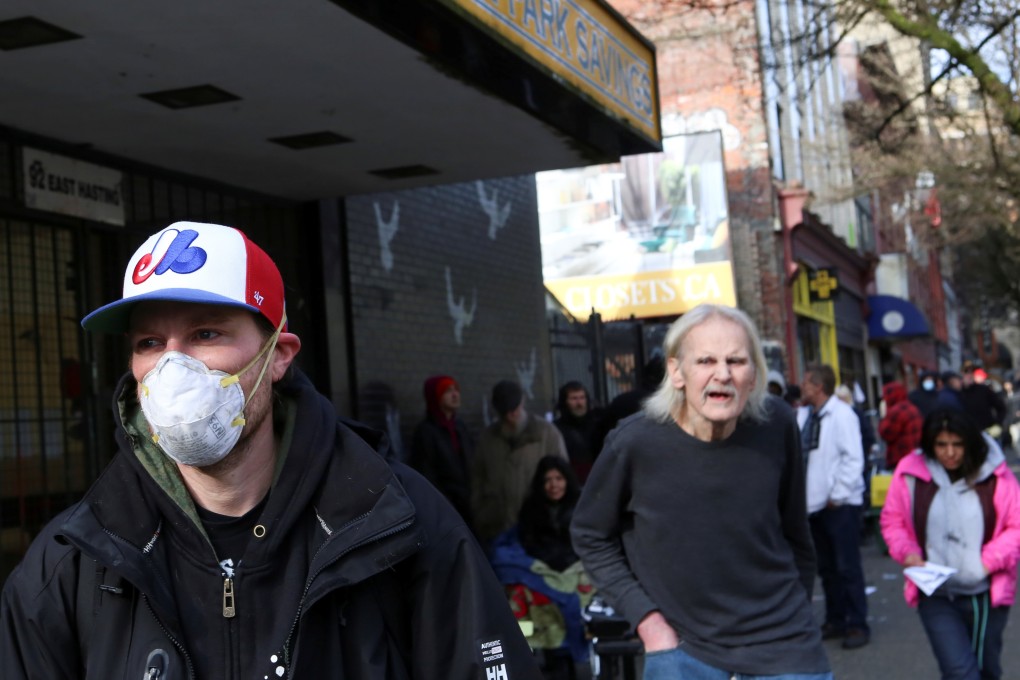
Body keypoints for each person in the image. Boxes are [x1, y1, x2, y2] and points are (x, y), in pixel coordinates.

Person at [0, 221, 540, 680]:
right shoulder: (75, 558)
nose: (172, 367)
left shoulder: (398, 526)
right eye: (148, 343)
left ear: (278, 356)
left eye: (206, 333)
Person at [572, 304, 831, 679]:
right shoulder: (634, 442)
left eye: (737, 361)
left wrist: (799, 613)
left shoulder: (777, 423)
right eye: (706, 360)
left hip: (785, 644)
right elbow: (589, 534)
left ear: (754, 373)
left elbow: (795, 531)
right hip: (681, 647)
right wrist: (648, 622)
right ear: (677, 372)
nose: (722, 374)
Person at [880, 409, 1020, 680]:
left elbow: (1016, 526)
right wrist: (906, 552)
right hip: (934, 592)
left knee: (986, 670)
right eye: (942, 445)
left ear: (970, 443)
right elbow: (893, 520)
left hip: (984, 593)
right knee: (959, 671)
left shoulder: (997, 476)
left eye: (957, 444)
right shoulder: (910, 472)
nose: (950, 453)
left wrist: (984, 563)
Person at [490, 456, 593, 671]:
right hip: (543, 565)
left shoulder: (582, 506)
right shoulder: (531, 509)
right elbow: (528, 542)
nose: (553, 485)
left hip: (575, 564)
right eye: (547, 479)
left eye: (558, 478)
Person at [799, 364, 870, 649]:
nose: (802, 387)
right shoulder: (806, 415)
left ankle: (856, 624)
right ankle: (836, 618)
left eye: (806, 382)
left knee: (847, 567)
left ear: (818, 387)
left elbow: (854, 458)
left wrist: (837, 494)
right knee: (827, 568)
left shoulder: (842, 415)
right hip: (814, 506)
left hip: (839, 506)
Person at [472, 379, 567, 546]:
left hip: (539, 528)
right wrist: (482, 514)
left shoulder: (546, 433)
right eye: (506, 411)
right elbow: (477, 480)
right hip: (497, 527)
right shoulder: (487, 440)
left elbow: (563, 476)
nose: (512, 415)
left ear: (522, 402)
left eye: (514, 408)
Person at [408, 374, 474, 524]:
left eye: (456, 389)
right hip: (446, 508)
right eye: (447, 391)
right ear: (435, 397)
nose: (455, 394)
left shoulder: (460, 427)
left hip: (469, 505)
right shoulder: (426, 432)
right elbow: (426, 474)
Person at [553, 381, 601, 484]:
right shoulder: (556, 429)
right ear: (565, 401)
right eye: (574, 398)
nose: (579, 403)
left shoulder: (598, 425)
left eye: (582, 398)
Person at [878, 381, 923, 470]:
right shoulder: (912, 407)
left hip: (901, 457)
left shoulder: (896, 411)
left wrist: (883, 416)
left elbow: (886, 433)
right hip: (916, 456)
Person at [960, 361, 1007, 439]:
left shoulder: (984, 390)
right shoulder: (958, 392)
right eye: (966, 372)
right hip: (967, 435)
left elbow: (1001, 407)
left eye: (972, 372)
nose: (969, 375)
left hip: (987, 434)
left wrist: (997, 424)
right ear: (962, 374)